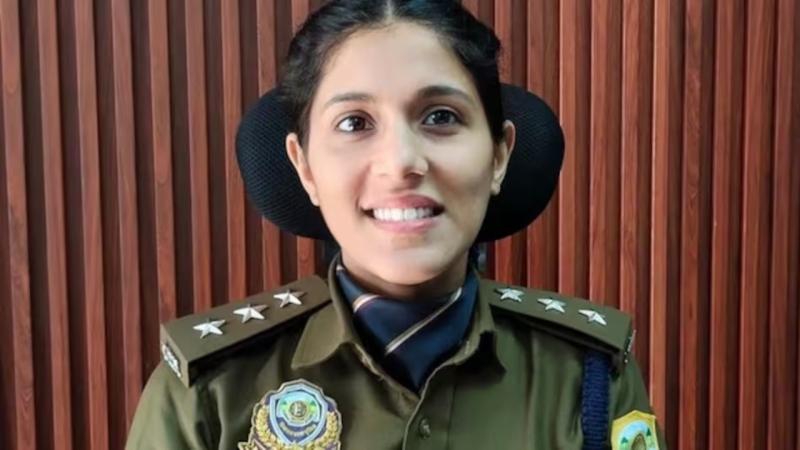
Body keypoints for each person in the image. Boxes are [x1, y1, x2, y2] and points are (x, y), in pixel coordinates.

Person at [126, 1, 665, 449]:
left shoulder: (589, 379)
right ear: (305, 167)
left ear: (499, 156)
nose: (401, 161)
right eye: (354, 123)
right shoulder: (209, 395)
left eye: (440, 117)